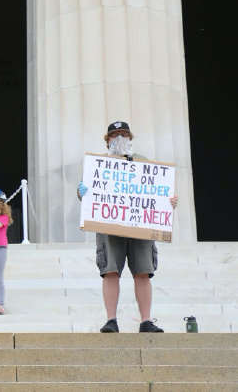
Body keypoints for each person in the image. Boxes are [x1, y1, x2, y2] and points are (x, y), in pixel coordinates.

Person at [78, 121, 178, 333]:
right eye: (115, 134)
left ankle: (146, 320)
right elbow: (86, 197)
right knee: (110, 271)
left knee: (143, 271)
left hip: (139, 227)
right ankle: (111, 319)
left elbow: (158, 192)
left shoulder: (143, 162)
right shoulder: (98, 165)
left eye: (123, 133)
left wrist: (168, 202)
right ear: (108, 140)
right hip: (109, 225)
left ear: (130, 137)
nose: (120, 137)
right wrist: (83, 192)